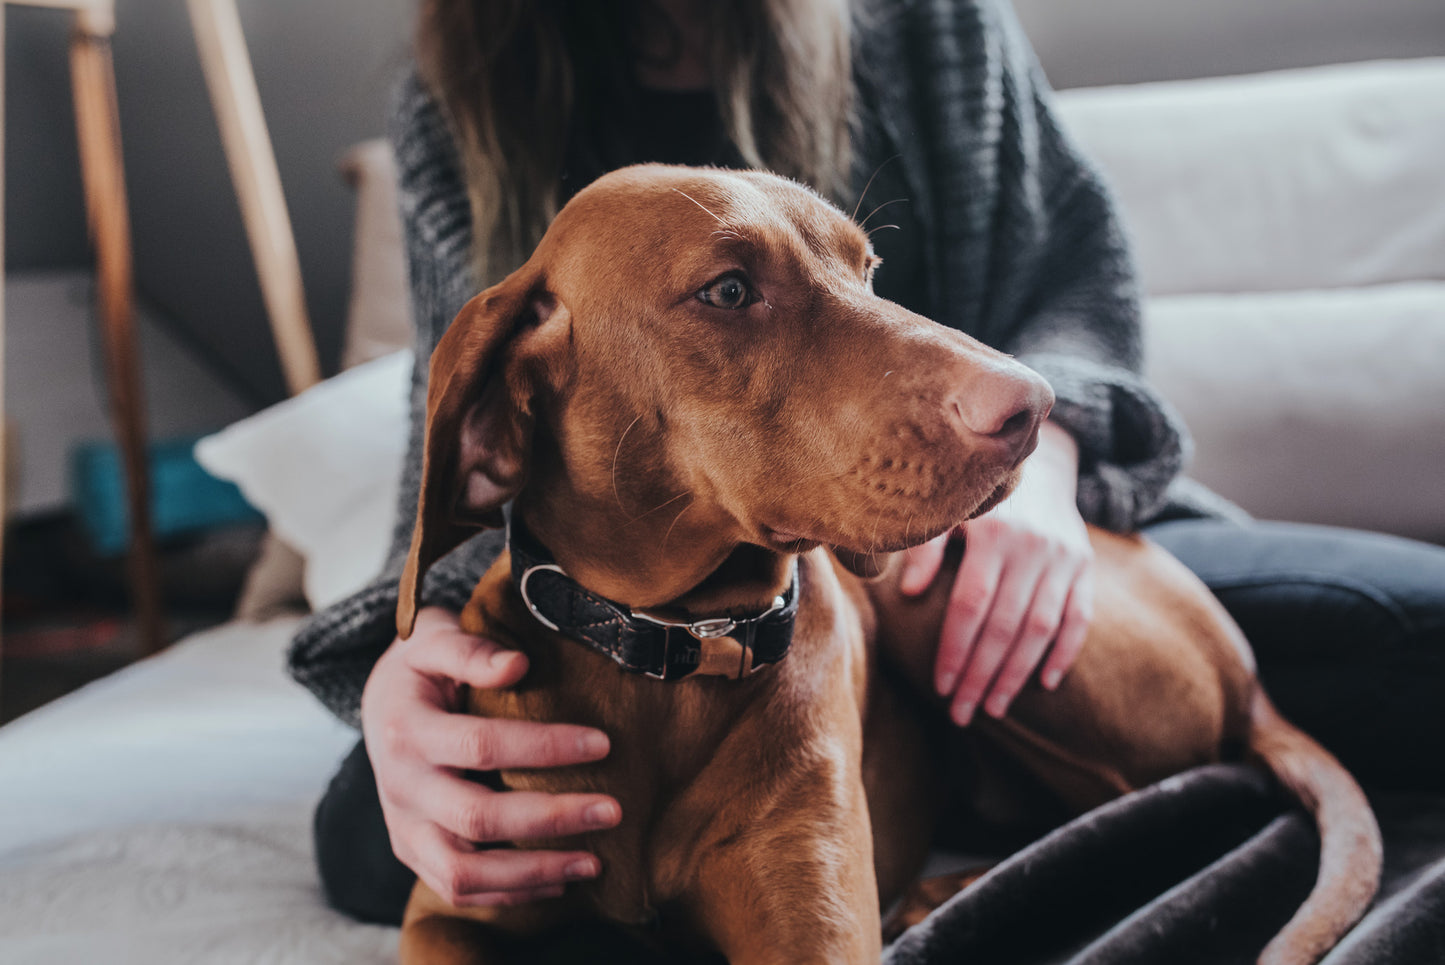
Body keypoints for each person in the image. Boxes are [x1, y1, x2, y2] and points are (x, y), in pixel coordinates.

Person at [290, 0, 1445, 928]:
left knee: (1415, 635)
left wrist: (1038, 472)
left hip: (1044, 529)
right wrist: (407, 669)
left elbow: (1076, 292)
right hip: (655, 597)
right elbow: (470, 456)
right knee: (378, 825)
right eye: (731, 291)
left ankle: (1129, 779)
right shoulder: (465, 104)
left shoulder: (925, 22)